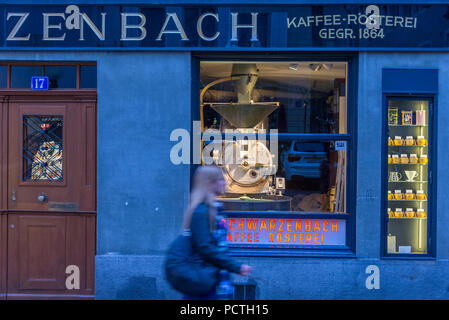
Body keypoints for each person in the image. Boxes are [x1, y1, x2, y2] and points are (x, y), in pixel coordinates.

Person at [180, 165, 252, 300]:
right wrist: (236, 266)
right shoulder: (202, 211)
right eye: (221, 180)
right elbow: (205, 247)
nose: (225, 182)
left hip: (214, 280)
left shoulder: (213, 209)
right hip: (205, 282)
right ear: (210, 183)